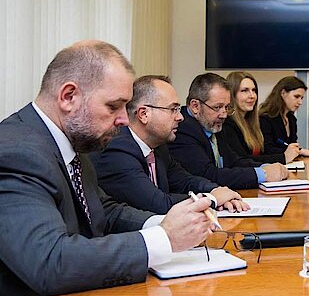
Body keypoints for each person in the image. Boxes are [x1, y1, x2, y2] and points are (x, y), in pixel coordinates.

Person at [0, 40, 213, 296]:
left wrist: (168, 223)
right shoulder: (17, 153)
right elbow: (51, 261)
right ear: (69, 96)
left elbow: (104, 211)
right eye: (114, 106)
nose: (124, 119)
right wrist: (164, 239)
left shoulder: (71, 143)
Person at [91, 75, 249, 215]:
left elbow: (184, 180)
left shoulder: (159, 146)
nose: (180, 117)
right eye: (173, 109)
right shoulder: (117, 149)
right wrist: (212, 199)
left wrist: (216, 190)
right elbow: (158, 204)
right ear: (144, 114)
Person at [169, 73, 289, 190]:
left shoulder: (212, 124)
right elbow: (208, 175)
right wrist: (263, 174)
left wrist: (265, 167)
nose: (224, 115)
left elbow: (233, 161)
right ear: (195, 106)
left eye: (227, 107)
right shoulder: (182, 129)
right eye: (217, 107)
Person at [220, 71, 286, 165]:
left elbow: (264, 153)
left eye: (254, 90)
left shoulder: (251, 122)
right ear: (231, 95)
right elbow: (242, 160)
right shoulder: (227, 124)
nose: (252, 96)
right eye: (244, 91)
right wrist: (283, 157)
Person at [258, 76, 309, 163]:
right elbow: (267, 150)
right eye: (296, 97)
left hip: (289, 165)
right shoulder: (265, 118)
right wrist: (302, 151)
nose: (300, 102)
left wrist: (307, 152)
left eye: (301, 98)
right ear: (283, 93)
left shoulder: (291, 119)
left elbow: (293, 146)